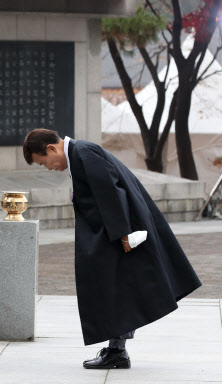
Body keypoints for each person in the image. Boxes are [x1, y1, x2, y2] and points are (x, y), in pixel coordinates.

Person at [22, 128, 201, 369]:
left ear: (52, 148)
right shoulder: (80, 153)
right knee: (117, 289)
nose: (49, 168)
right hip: (110, 233)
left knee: (116, 289)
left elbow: (110, 192)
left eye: (44, 162)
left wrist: (123, 234)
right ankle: (117, 349)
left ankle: (117, 351)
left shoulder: (83, 153)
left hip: (118, 234)